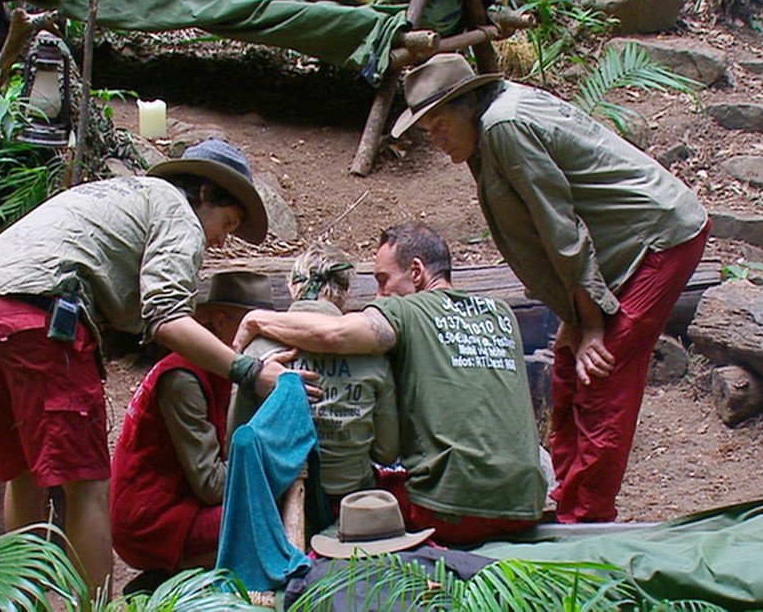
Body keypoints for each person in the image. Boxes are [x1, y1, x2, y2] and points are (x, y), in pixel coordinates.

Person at [0, 139, 314, 597]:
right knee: (87, 485)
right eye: (227, 222)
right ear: (204, 193)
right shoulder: (178, 213)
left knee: (24, 474)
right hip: (42, 317)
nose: (222, 240)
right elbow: (168, 319)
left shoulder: (128, 194)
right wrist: (249, 370)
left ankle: (19, 602)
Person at [389, 53, 711, 524]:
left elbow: (561, 229)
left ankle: (586, 519)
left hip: (657, 240)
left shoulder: (504, 126)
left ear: (467, 103)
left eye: (439, 125)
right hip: (614, 253)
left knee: (600, 374)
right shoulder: (486, 132)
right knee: (565, 366)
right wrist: (573, 316)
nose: (435, 139)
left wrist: (593, 324)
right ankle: (564, 499)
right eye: (427, 130)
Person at [234, 223, 547, 545]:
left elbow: (334, 334)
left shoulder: (404, 311)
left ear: (416, 271)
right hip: (524, 505)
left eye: (383, 280)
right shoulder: (501, 313)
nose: (379, 294)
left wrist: (257, 319)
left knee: (367, 501)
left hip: (448, 511)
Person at [110, 271, 276, 594]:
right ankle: (165, 583)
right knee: (267, 515)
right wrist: (273, 465)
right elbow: (211, 485)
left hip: (179, 502)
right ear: (220, 321)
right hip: (151, 520)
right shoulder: (184, 377)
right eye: (252, 326)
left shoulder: (218, 369)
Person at [228, 243, 399, 508]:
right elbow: (387, 452)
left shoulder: (257, 348)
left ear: (292, 286)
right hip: (353, 502)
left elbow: (237, 438)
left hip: (278, 499)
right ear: (345, 292)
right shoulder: (373, 353)